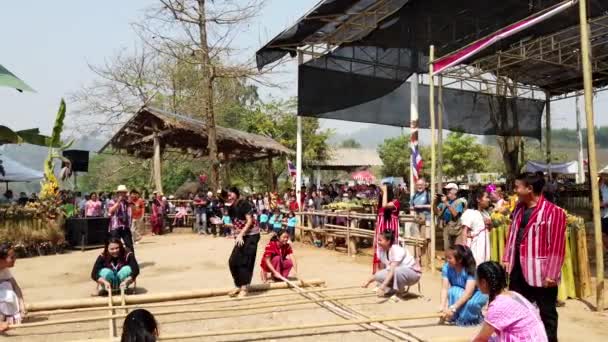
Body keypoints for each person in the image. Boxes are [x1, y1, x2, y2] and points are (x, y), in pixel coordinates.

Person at [502, 173, 566, 342]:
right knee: (517, 310)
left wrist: (552, 274)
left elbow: (557, 246)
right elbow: (512, 235)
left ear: (529, 189)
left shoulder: (554, 212)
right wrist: (507, 259)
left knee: (547, 314)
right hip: (518, 270)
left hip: (541, 273)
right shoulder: (518, 208)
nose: (514, 190)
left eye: (517, 187)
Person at [471, 261, 548, 342]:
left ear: (483, 282)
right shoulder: (513, 294)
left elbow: (481, 339)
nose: (476, 283)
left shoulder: (498, 305)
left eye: (477, 279)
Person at [440, 244, 488, 326]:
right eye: (446, 257)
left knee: (470, 304)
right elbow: (444, 288)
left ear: (459, 260)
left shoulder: (470, 270)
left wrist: (453, 308)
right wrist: (442, 306)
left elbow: (468, 293)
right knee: (452, 290)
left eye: (450, 258)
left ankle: (477, 318)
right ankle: (456, 317)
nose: (447, 260)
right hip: (460, 292)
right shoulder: (446, 268)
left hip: (477, 293)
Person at [362, 230, 421, 297]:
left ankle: (400, 293)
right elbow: (383, 270)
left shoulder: (397, 250)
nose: (378, 242)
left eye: (380, 240)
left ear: (388, 241)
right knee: (378, 275)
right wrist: (368, 281)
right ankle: (393, 289)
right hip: (398, 273)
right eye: (378, 240)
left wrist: (382, 287)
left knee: (396, 270)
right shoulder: (382, 251)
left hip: (413, 274)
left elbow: (392, 270)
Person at [227, 187, 260, 298]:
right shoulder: (230, 208)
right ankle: (238, 285)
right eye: (227, 196)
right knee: (233, 261)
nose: (229, 197)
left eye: (230, 194)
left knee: (245, 261)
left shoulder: (244, 204)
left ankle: (244, 287)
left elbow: (249, 221)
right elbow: (236, 224)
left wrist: (241, 234)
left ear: (236, 194)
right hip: (241, 236)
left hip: (251, 235)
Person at [461, 187, 492, 266]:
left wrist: (489, 225)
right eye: (486, 197)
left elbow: (488, 230)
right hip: (474, 251)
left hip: (485, 250)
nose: (489, 200)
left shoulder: (486, 213)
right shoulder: (470, 213)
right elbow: (464, 231)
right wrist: (465, 251)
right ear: (478, 199)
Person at [373, 185, 399, 273]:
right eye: (380, 192)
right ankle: (382, 276)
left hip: (389, 234)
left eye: (383, 191)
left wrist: (385, 191)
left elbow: (385, 205)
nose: (381, 193)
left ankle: (390, 276)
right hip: (380, 233)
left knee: (391, 255)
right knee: (380, 255)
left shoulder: (395, 202)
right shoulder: (380, 206)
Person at [434, 183, 466, 252]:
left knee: (457, 251)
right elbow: (436, 212)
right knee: (447, 250)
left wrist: (446, 203)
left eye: (449, 189)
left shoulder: (459, 202)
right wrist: (435, 202)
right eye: (446, 190)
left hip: (456, 230)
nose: (447, 191)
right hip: (446, 228)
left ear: (455, 191)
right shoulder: (443, 202)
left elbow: (455, 214)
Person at [0, 243, 26, 324]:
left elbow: (15, 286)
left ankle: (7, 314)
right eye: (12, 257)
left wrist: (22, 306)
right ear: (1, 260)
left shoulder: (4, 269)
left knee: (7, 285)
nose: (15, 259)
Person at [108, 185, 135, 253]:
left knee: (129, 244)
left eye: (124, 192)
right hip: (115, 226)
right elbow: (110, 211)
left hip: (125, 226)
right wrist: (118, 202)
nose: (123, 194)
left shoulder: (127, 202)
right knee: (115, 245)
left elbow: (133, 208)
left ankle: (131, 261)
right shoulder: (112, 201)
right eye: (121, 192)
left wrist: (129, 198)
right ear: (118, 193)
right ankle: (116, 261)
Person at [600, 174, 608, 252]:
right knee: (603, 234)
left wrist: (603, 204)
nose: (604, 178)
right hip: (604, 214)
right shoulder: (603, 186)